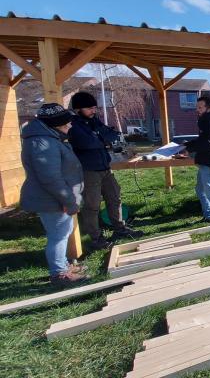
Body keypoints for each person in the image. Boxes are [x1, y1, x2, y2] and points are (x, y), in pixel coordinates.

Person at [20, 103, 87, 285]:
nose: (70, 126)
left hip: (55, 197)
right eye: (67, 123)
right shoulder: (42, 142)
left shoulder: (48, 138)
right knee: (58, 235)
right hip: (52, 198)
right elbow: (50, 177)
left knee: (62, 232)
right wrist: (68, 199)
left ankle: (62, 266)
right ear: (56, 124)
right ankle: (59, 274)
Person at [68, 92, 142, 249]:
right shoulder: (73, 125)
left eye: (94, 107)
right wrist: (102, 138)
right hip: (88, 170)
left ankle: (119, 228)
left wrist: (100, 136)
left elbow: (112, 135)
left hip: (105, 168)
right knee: (92, 205)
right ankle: (96, 238)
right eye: (90, 108)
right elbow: (88, 143)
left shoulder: (94, 121)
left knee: (115, 197)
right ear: (78, 109)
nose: (93, 111)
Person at [182, 96, 210, 225]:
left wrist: (191, 148)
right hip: (205, 162)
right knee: (200, 190)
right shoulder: (207, 121)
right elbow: (203, 139)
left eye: (200, 107)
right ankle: (209, 215)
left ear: (209, 108)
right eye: (197, 107)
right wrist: (188, 145)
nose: (197, 110)